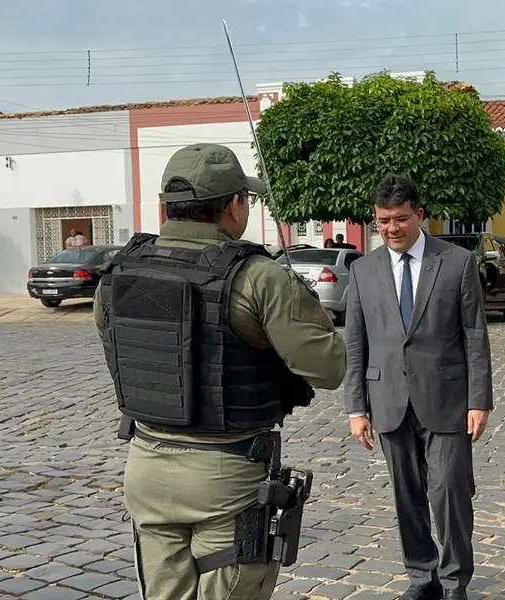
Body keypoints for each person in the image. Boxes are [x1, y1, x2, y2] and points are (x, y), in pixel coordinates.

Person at [93, 143, 346, 600]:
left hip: (146, 466)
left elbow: (114, 344)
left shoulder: (119, 270)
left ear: (166, 207)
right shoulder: (259, 276)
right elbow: (328, 368)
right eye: (246, 200)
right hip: (225, 476)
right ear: (233, 206)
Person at [343, 174, 493, 600]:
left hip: (448, 400)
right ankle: (420, 577)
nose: (392, 228)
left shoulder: (457, 262)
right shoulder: (363, 270)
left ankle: (454, 581)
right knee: (406, 496)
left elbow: (475, 336)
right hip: (388, 399)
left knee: (449, 492)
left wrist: (479, 400)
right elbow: (355, 343)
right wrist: (356, 408)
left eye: (401, 219)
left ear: (420, 215)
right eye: (383, 221)